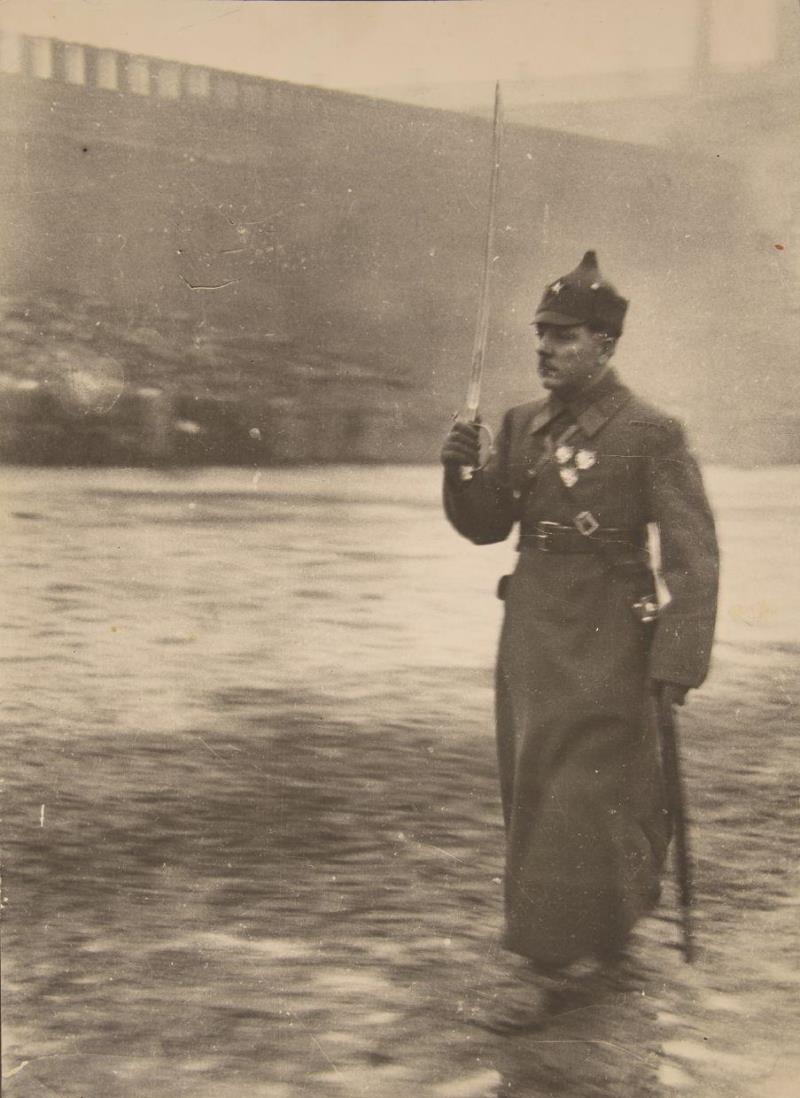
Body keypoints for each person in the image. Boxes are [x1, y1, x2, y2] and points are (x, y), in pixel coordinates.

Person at [441, 251, 719, 1027]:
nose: (544, 349)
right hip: (531, 630)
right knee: (535, 786)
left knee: (582, 788)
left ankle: (546, 962)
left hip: (608, 636)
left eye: (563, 337)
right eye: (540, 334)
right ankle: (599, 928)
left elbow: (694, 555)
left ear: (605, 344)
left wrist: (677, 657)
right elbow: (489, 525)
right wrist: (460, 474)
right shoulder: (521, 426)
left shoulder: (652, 433)